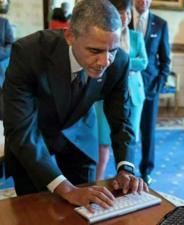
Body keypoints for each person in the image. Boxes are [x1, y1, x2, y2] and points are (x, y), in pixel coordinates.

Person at [3, 0, 147, 211]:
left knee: (85, 211)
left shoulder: (119, 62)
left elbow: (121, 120)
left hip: (79, 140)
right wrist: (66, 189)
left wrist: (126, 168)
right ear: (70, 36)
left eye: (112, 50)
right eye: (95, 50)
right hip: (34, 144)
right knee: (35, 213)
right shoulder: (29, 53)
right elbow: (20, 129)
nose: (104, 61)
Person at [95, 0, 148, 181]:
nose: (125, 17)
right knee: (103, 141)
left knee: (129, 136)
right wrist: (123, 63)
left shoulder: (136, 37)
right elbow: (102, 61)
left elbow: (144, 62)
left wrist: (122, 63)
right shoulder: (104, 37)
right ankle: (97, 179)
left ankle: (127, 173)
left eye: (128, 14)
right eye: (121, 13)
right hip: (107, 92)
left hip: (134, 93)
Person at [129, 0, 171, 185]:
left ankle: (146, 171)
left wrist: (158, 85)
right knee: (126, 130)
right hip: (125, 86)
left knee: (147, 131)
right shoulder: (124, 20)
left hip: (149, 88)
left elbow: (165, 60)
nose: (143, 1)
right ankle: (126, 169)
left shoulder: (160, 24)